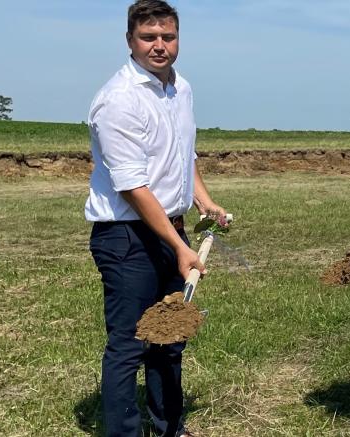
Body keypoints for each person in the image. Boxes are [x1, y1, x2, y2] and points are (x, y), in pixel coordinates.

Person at [85, 1, 225, 435]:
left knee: (170, 338)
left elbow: (183, 153)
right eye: (149, 37)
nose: (159, 46)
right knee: (129, 344)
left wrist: (202, 199)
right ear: (130, 41)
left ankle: (170, 426)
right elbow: (133, 186)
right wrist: (180, 247)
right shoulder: (117, 101)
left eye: (168, 37)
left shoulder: (179, 88)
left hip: (170, 230)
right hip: (126, 238)